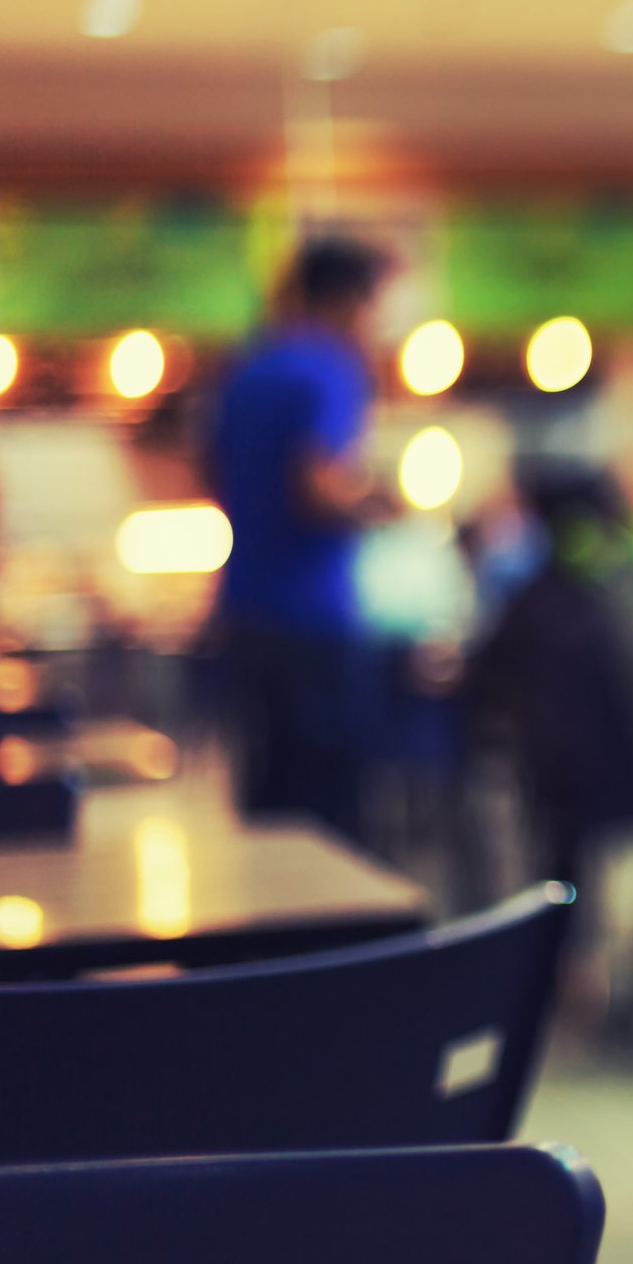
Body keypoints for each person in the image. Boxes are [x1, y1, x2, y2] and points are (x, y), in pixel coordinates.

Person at [207, 235, 390, 841]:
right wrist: (380, 502)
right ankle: (335, 936)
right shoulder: (328, 366)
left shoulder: (248, 368)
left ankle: (271, 929)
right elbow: (316, 490)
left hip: (244, 612)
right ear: (346, 299)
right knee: (327, 807)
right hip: (312, 619)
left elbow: (212, 471)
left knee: (269, 796)